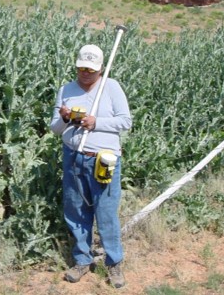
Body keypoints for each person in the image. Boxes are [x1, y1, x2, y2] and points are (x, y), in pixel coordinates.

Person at [50, 44, 132, 288]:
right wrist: (65, 119)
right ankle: (82, 260)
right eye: (81, 68)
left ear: (101, 69)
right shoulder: (66, 89)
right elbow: (54, 128)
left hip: (103, 159)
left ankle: (113, 264)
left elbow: (125, 121)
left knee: (105, 212)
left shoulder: (112, 87)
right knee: (75, 210)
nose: (85, 73)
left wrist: (95, 123)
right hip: (74, 156)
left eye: (91, 69)